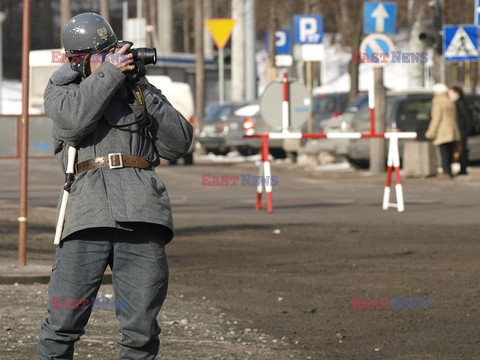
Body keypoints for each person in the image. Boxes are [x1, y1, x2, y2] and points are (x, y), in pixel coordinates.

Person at [37, 13, 193, 360]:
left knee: (141, 331)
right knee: (62, 324)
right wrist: (108, 74)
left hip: (142, 212)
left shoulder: (137, 90)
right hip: (86, 216)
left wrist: (141, 89)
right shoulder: (61, 90)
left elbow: (179, 143)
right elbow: (74, 123)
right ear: (80, 59)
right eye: (104, 52)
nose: (116, 57)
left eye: (115, 49)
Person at [425, 83, 460, 179]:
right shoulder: (450, 101)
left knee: (443, 153)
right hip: (452, 130)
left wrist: (431, 132)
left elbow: (436, 118)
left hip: (442, 130)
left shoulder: (437, 102)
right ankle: (449, 172)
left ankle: (446, 172)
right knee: (449, 152)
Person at [449, 85, 472, 175]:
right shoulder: (459, 102)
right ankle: (463, 168)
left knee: (461, 149)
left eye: (450, 93)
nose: (449, 95)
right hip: (461, 129)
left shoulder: (460, 103)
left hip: (461, 130)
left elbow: (466, 117)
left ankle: (463, 169)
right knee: (460, 149)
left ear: (456, 93)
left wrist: (466, 129)